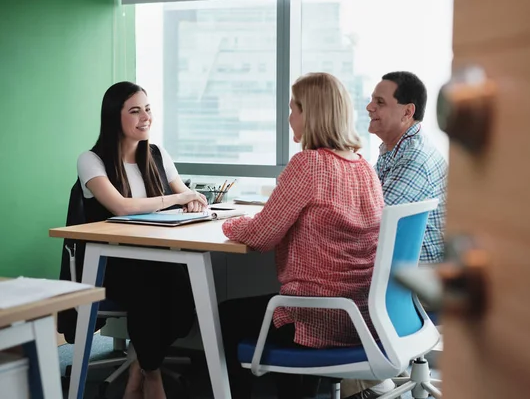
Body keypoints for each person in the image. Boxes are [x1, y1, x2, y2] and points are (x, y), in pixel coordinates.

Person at [218, 72, 385, 399]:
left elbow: (260, 236)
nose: (289, 117)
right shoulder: (363, 167)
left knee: (225, 314)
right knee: (272, 307)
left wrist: (228, 223)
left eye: (294, 108)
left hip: (320, 316)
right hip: (362, 315)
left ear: (312, 114)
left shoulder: (309, 164)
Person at [77, 81, 207, 399]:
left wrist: (193, 199)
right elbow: (120, 206)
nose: (145, 117)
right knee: (150, 289)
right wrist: (175, 199)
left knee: (185, 291)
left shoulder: (158, 155)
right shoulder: (91, 161)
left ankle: (141, 364)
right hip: (110, 265)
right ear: (114, 117)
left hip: (157, 257)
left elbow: (189, 196)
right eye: (134, 111)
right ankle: (153, 378)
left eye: (147, 109)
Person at [342, 72, 448, 399]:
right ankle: (383, 382)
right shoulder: (394, 150)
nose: (369, 106)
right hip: (409, 271)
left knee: (341, 290)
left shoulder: (413, 157)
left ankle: (370, 386)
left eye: (380, 102)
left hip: (423, 278)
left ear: (407, 111)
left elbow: (374, 225)